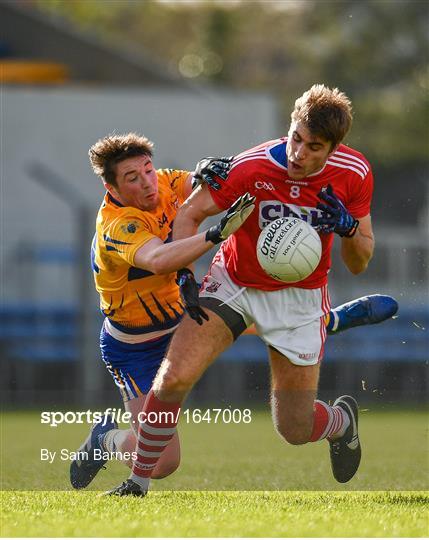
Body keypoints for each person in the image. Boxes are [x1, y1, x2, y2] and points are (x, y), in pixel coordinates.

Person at [70, 129, 397, 492]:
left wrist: (208, 168)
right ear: (112, 188)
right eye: (133, 178)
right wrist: (215, 235)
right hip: (134, 346)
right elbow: (159, 259)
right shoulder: (117, 225)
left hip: (182, 313)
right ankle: (106, 440)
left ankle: (322, 325)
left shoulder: (162, 183)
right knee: (164, 463)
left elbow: (205, 183)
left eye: (148, 169)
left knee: (285, 412)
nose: (147, 183)